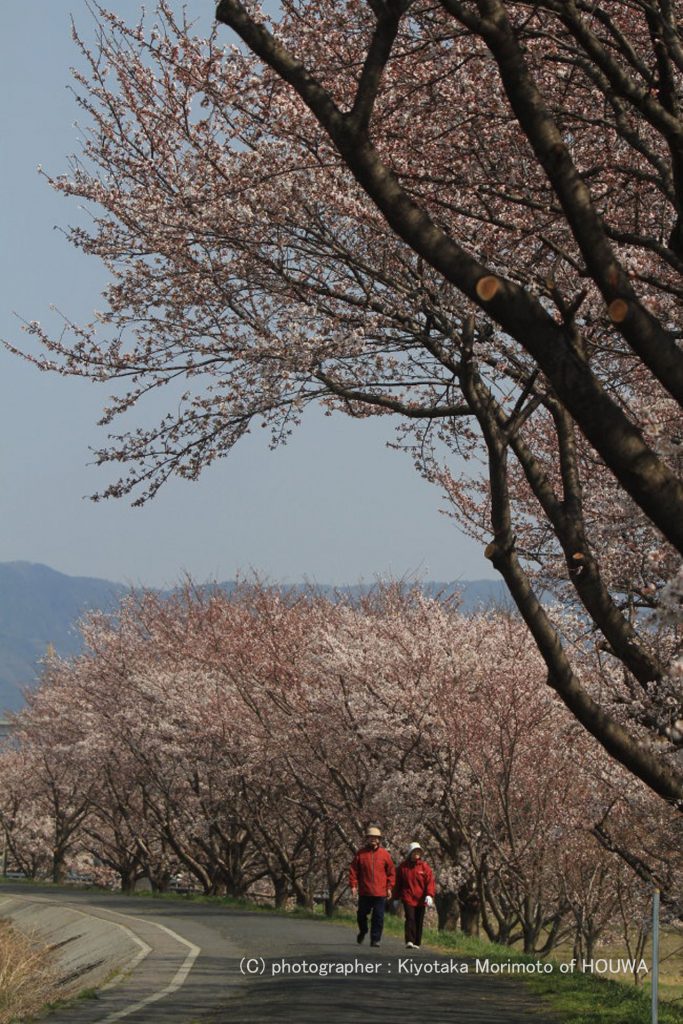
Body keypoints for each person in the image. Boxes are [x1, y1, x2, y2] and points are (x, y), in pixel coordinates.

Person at [349, 826, 396, 947]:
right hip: (365, 891)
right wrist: (353, 885)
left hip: (380, 892)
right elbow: (353, 870)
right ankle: (363, 930)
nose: (373, 840)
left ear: (379, 840)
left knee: (378, 917)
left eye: (376, 838)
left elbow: (391, 872)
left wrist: (389, 887)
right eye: (371, 837)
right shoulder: (361, 854)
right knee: (361, 914)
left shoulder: (385, 854)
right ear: (367, 839)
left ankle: (375, 939)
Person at [393, 841, 436, 949]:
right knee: (410, 918)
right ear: (410, 853)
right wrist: (396, 897)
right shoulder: (403, 867)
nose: (417, 854)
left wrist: (429, 895)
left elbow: (430, 881)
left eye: (419, 852)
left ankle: (417, 942)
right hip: (408, 897)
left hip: (421, 898)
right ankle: (409, 940)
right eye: (415, 851)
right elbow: (398, 883)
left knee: (419, 919)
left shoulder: (424, 867)